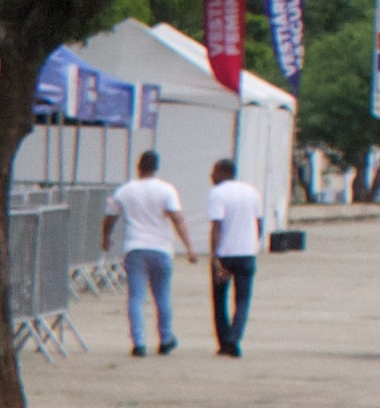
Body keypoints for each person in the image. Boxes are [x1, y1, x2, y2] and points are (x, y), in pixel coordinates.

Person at [107, 151, 188, 356]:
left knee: (136, 296)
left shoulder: (124, 191)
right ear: (156, 167)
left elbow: (110, 217)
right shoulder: (167, 190)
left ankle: (139, 342)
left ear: (138, 166)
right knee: (162, 295)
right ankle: (166, 338)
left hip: (135, 247)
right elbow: (177, 218)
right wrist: (189, 246)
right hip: (161, 247)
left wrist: (104, 237)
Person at [203, 156, 265, 355]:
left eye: (214, 171)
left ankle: (224, 342)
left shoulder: (217, 193)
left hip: (225, 254)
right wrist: (255, 243)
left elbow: (216, 227)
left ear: (224, 173)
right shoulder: (252, 192)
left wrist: (213, 256)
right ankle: (234, 338)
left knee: (219, 299)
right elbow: (259, 223)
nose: (211, 175)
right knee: (243, 300)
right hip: (246, 253)